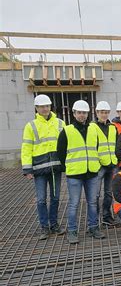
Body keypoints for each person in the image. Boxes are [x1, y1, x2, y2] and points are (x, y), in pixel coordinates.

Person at [57, 100, 105, 244]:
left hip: (91, 173)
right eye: (79, 113)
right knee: (74, 204)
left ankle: (93, 228)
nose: (82, 115)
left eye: (84, 113)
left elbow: (95, 147)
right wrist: (68, 168)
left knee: (92, 202)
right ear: (74, 113)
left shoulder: (93, 129)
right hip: (75, 174)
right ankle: (72, 231)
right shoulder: (67, 130)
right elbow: (60, 152)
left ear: (87, 114)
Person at [21, 94, 65, 240]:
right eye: (41, 107)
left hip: (55, 168)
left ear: (50, 106)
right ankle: (44, 227)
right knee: (41, 200)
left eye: (47, 106)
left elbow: (66, 144)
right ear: (36, 108)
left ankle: (54, 225)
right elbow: (26, 148)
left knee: (55, 198)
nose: (45, 109)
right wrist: (27, 169)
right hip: (39, 169)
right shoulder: (31, 126)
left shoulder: (60, 123)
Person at [91, 101, 118, 226]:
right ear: (97, 113)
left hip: (111, 165)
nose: (104, 115)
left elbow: (116, 146)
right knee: (95, 194)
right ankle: (94, 218)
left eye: (106, 112)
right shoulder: (92, 127)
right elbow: (91, 147)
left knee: (108, 193)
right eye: (102, 112)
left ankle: (106, 216)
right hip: (99, 166)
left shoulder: (113, 127)